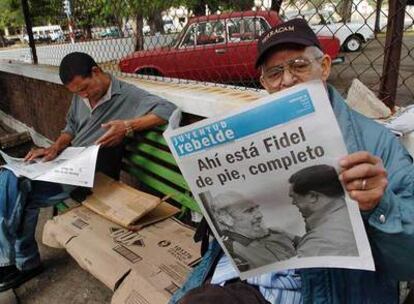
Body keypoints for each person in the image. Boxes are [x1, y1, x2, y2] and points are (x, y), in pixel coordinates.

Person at [171, 18, 414, 304]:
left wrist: (379, 206)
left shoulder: (374, 142)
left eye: (299, 65)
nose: (287, 80)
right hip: (238, 281)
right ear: (264, 83)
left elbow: (408, 261)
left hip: (321, 291)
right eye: (275, 73)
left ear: (324, 67)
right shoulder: (247, 134)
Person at [0, 52, 176, 292]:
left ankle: (12, 262)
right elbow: (70, 127)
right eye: (76, 93)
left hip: (92, 172)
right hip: (68, 163)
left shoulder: (127, 95)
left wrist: (127, 126)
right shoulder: (80, 96)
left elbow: (168, 109)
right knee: (15, 183)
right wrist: (55, 148)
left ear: (96, 72)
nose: (83, 96)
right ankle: (23, 263)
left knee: (14, 186)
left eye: (84, 89)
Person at [206, 191, 296, 271]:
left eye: (257, 208)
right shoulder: (230, 251)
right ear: (227, 219)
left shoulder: (274, 234)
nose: (259, 215)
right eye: (249, 211)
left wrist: (290, 236)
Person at [288, 164, 358, 257]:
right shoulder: (349, 213)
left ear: (313, 196)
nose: (293, 203)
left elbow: (320, 245)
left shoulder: (320, 241)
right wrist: (294, 238)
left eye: (294, 197)